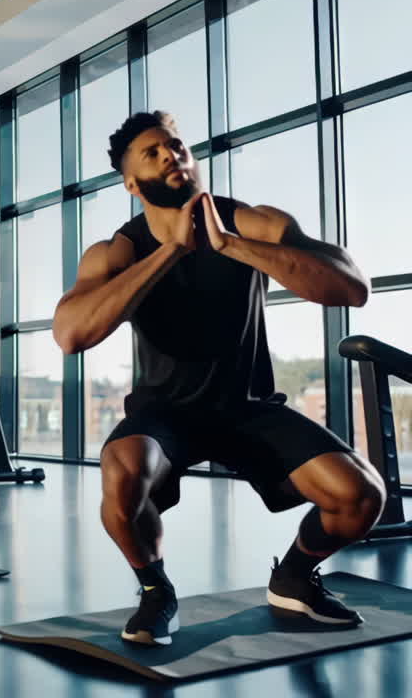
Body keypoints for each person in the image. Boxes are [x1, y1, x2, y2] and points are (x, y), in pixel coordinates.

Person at [52, 111, 383, 646]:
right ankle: (156, 592)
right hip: (165, 412)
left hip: (247, 407)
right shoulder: (119, 250)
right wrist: (170, 252)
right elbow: (71, 335)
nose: (171, 154)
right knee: (122, 473)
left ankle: (294, 577)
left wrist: (230, 245)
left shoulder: (251, 222)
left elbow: (351, 288)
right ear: (131, 183)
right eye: (152, 153)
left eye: (176, 145)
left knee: (361, 496)